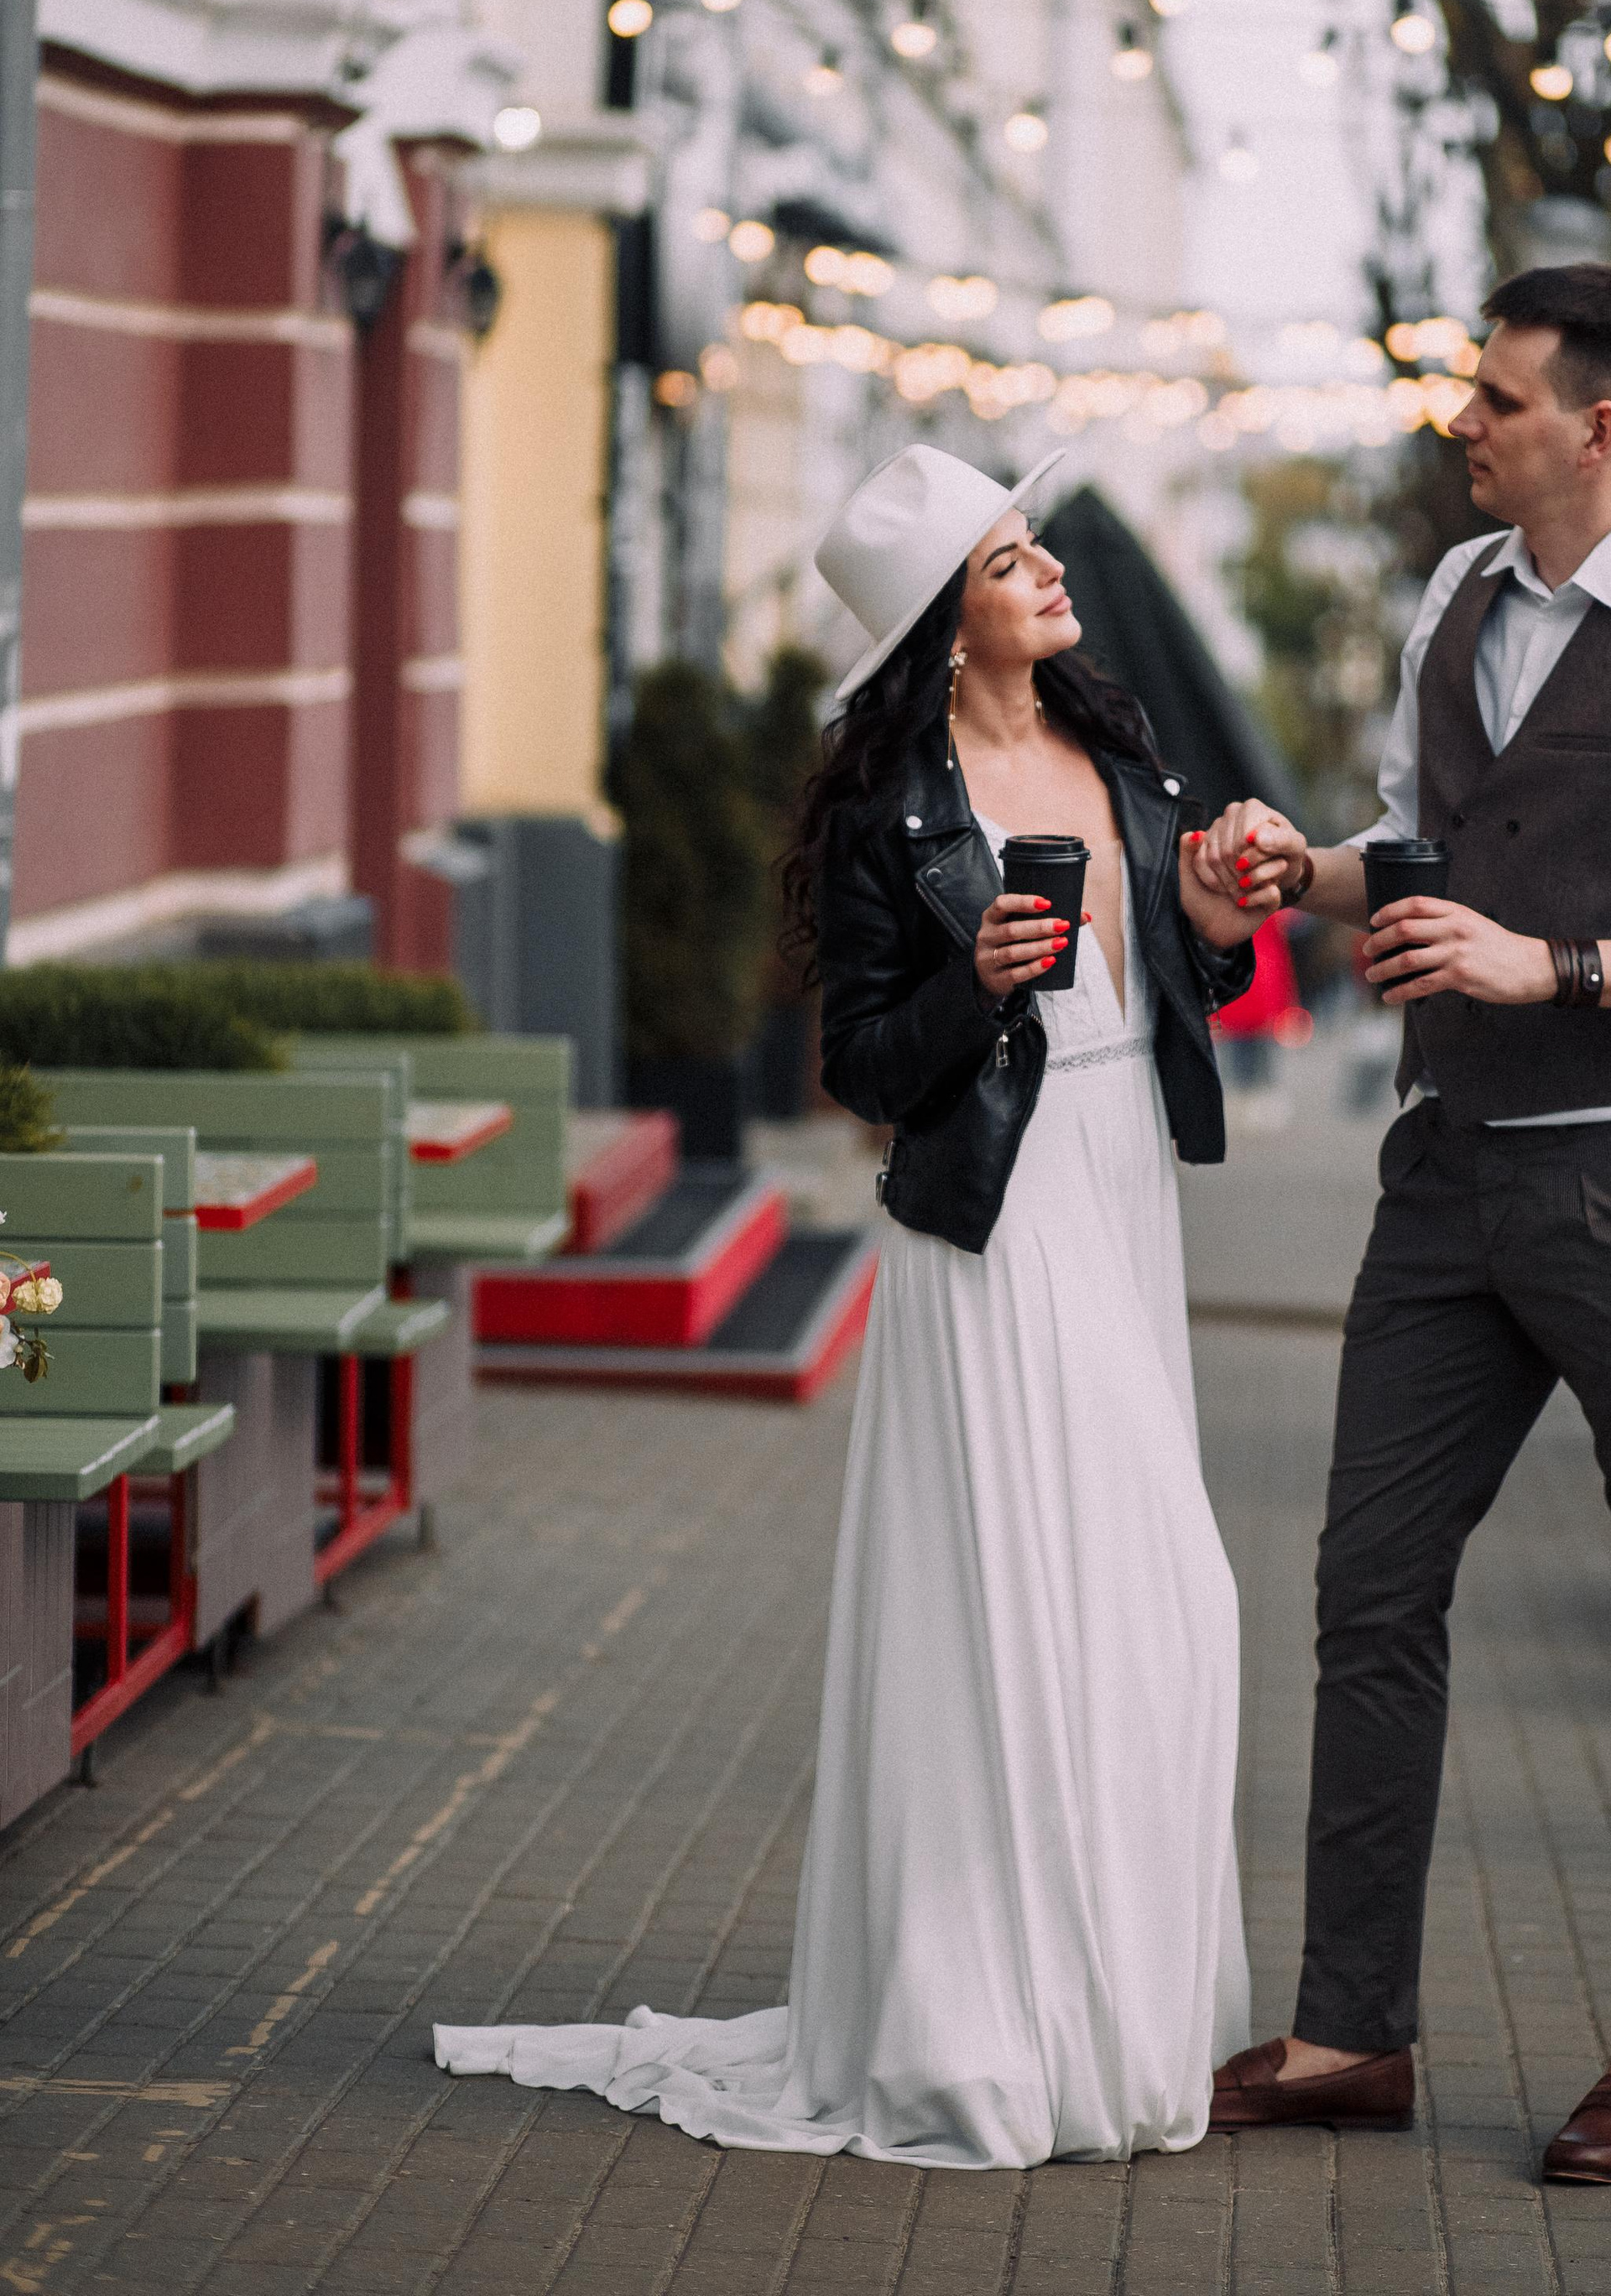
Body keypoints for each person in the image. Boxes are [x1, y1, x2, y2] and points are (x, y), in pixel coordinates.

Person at [438, 444, 1280, 2168]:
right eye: (1003, 561)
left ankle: (1114, 2007)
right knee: (1028, 1608)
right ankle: (982, 2027)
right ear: (940, 626)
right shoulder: (897, 811)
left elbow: (1167, 985)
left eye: (1034, 545)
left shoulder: (1112, 750)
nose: (1046, 572)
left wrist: (1205, 919)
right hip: (987, 1222)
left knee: (1158, 1609)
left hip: (1116, 1191)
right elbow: (857, 1069)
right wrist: (972, 990)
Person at [1195, 263, 1611, 2182]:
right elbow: (1424, 858)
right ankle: (1350, 2032)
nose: (1460, 422)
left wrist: (1553, 963)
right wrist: (1291, 873)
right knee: (1368, 1592)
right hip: (1443, 1171)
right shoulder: (1455, 597)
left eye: (1492, 397)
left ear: (1599, 424)